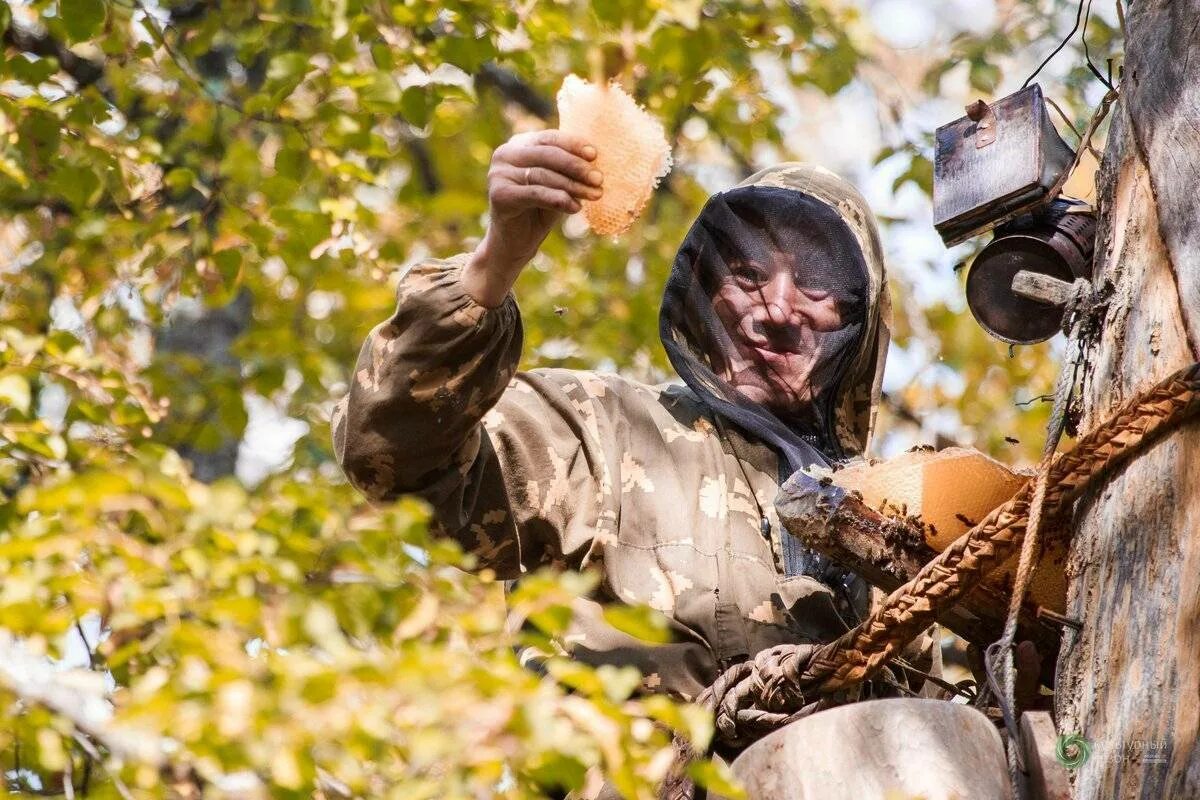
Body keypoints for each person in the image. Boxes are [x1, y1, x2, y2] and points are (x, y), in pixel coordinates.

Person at [332, 129, 938, 764]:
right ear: (704, 292)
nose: (776, 309)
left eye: (815, 282)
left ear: (857, 315)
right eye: (748, 274)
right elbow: (396, 460)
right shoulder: (604, 430)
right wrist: (491, 266)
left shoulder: (898, 512)